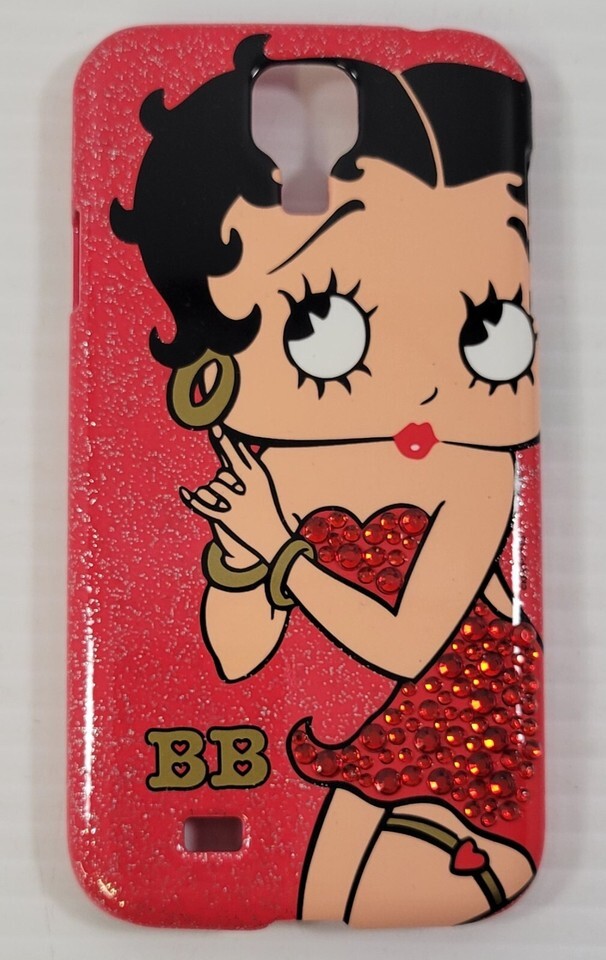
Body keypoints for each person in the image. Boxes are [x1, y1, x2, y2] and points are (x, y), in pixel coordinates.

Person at [111, 33, 541, 925]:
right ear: (213, 349)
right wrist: (243, 553)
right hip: (372, 752)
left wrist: (280, 551)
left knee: (382, 876)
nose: (431, 385)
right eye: (322, 321)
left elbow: (409, 646)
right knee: (326, 876)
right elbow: (238, 655)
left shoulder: (473, 468)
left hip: (472, 741)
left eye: (489, 325)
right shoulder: (274, 471)